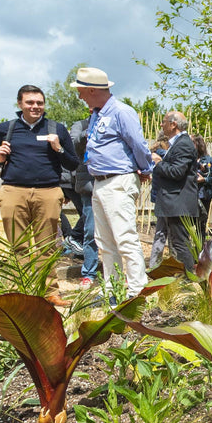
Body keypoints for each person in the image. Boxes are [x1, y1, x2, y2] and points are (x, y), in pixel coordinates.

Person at [0, 85, 79, 307]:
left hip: (48, 193)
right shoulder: (7, 128)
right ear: (20, 104)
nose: (35, 106)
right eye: (30, 102)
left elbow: (73, 163)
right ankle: (22, 292)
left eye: (39, 102)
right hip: (13, 192)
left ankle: (50, 292)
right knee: (18, 246)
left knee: (47, 246)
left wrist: (58, 148)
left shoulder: (56, 128)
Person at [73, 66, 154, 298]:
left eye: (80, 89)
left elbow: (138, 144)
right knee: (105, 241)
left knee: (125, 237)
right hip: (99, 182)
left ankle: (138, 291)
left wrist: (145, 168)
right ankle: (114, 290)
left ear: (90, 90)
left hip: (118, 180)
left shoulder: (121, 112)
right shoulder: (97, 113)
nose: (78, 94)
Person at [150, 111, 200, 272]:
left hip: (178, 203)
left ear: (173, 124)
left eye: (164, 121)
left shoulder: (184, 143)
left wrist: (158, 163)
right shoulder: (179, 143)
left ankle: (190, 278)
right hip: (174, 203)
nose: (161, 125)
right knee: (178, 242)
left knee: (180, 243)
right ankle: (185, 276)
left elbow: (177, 172)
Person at [70, 107, 100, 288]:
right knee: (90, 231)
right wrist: (86, 135)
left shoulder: (115, 123)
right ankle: (89, 273)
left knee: (115, 232)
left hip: (113, 185)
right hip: (89, 186)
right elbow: (74, 145)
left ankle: (118, 273)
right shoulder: (80, 125)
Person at [147, 137, 171, 269]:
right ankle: (175, 265)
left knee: (160, 232)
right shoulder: (165, 156)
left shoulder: (153, 157)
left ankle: (154, 264)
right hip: (168, 198)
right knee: (171, 233)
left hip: (158, 198)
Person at [193, 135, 212, 243]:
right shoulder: (188, 159)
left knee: (201, 225)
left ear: (198, 145)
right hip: (189, 195)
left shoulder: (209, 160)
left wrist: (204, 179)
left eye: (192, 143)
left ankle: (199, 251)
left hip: (204, 196)